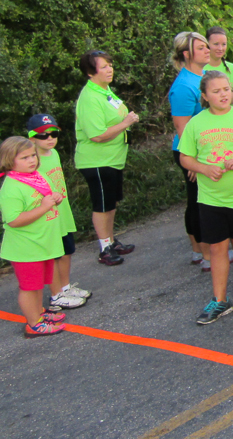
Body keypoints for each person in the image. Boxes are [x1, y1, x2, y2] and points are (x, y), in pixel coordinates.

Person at [179, 71, 233, 325]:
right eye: (216, 91)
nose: (223, 95)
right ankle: (219, 299)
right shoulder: (196, 123)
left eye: (226, 89)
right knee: (218, 248)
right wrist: (204, 169)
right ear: (205, 96)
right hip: (211, 199)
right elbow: (185, 157)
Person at [74, 50, 139, 267]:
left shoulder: (104, 90)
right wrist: (126, 123)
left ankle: (111, 241)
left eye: (110, 65)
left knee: (111, 203)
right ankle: (104, 249)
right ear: (90, 72)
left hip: (113, 159)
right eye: (103, 67)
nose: (110, 69)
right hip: (97, 161)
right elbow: (97, 135)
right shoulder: (90, 97)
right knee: (102, 205)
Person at [0, 137, 67, 338]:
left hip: (42, 244)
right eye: (24, 158)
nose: (31, 160)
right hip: (26, 248)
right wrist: (45, 206)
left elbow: (44, 198)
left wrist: (55, 198)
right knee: (29, 288)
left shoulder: (36, 176)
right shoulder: (11, 187)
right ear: (9, 160)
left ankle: (39, 313)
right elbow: (14, 220)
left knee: (38, 285)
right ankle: (33, 324)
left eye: (33, 156)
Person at [168, 32, 219, 271]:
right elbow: (182, 129)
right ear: (187, 54)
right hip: (192, 152)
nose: (208, 50)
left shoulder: (203, 76)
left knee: (201, 199)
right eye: (201, 48)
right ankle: (205, 254)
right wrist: (195, 162)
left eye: (207, 46)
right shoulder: (183, 86)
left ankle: (201, 250)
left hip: (205, 149)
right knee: (198, 201)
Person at [29, 115, 90, 311]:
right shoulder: (32, 160)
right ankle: (56, 296)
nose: (50, 138)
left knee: (66, 251)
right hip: (47, 214)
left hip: (62, 211)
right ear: (31, 138)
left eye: (53, 134)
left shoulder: (53, 153)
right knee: (53, 255)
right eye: (43, 135)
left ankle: (65, 287)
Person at [203, 27, 233, 104]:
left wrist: (213, 97)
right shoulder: (199, 67)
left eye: (224, 44)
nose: (220, 48)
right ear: (207, 45)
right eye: (216, 44)